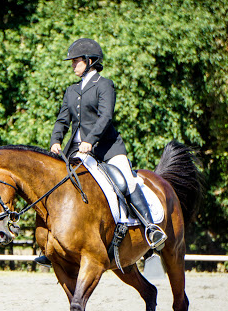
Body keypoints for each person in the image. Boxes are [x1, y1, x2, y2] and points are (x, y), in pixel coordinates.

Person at [34, 38, 166, 266]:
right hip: (76, 152)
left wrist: (90, 140)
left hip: (107, 148)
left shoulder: (104, 85)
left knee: (127, 181)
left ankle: (150, 228)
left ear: (90, 61)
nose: (73, 65)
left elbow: (106, 117)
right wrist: (55, 140)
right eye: (73, 61)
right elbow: (62, 120)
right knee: (56, 187)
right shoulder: (71, 90)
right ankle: (51, 246)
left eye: (76, 61)